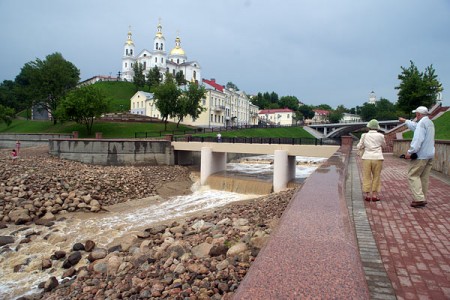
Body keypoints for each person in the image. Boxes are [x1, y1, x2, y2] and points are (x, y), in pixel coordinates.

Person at [399, 106, 435, 208]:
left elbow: (418, 139)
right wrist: (406, 121)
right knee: (424, 177)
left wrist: (410, 152)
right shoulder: (429, 123)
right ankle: (422, 197)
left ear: (418, 114)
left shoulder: (422, 124)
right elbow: (415, 126)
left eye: (416, 114)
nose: (416, 116)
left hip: (420, 155)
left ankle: (419, 199)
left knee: (413, 175)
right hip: (429, 154)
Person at [357, 119, 386, 202]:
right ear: (377, 127)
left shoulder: (364, 135)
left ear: (369, 127)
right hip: (378, 157)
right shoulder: (381, 135)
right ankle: (374, 195)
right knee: (376, 176)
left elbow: (359, 146)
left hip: (367, 157)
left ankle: (367, 194)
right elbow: (384, 145)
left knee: (366, 176)